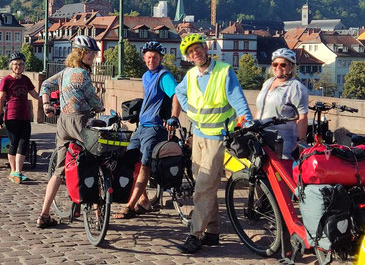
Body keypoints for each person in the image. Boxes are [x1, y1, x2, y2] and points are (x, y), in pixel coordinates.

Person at [172, 33, 253, 254]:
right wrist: (188, 109)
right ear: (188, 57)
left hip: (217, 138)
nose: (195, 53)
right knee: (205, 186)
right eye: (190, 52)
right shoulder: (190, 76)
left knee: (203, 188)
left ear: (205, 49)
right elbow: (178, 92)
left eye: (197, 49)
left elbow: (239, 101)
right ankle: (213, 231)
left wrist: (248, 123)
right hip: (197, 136)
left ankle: (195, 234)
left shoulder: (223, 71)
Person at [36, 35, 104, 228]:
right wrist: (101, 107)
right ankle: (98, 215)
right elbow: (94, 101)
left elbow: (45, 85)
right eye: (89, 52)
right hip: (80, 120)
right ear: (79, 53)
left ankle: (44, 214)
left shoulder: (65, 72)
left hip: (62, 123)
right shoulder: (83, 74)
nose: (92, 55)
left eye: (93, 52)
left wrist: (47, 103)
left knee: (58, 170)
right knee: (96, 161)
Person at [114, 41, 179, 219]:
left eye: (155, 57)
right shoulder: (145, 76)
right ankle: (144, 201)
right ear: (144, 58)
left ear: (161, 59)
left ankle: (130, 205)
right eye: (149, 57)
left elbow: (176, 95)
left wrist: (174, 116)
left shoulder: (164, 75)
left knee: (144, 165)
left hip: (156, 128)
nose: (152, 60)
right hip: (143, 125)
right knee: (130, 160)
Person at [0, 52, 40, 184]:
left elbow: (35, 95)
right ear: (11, 66)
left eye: (20, 64)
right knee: (14, 143)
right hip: (11, 115)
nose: (18, 67)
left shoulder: (26, 79)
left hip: (25, 115)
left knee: (24, 143)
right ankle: (13, 171)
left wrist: (46, 100)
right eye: (15, 64)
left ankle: (18, 172)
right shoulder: (6, 80)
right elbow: (1, 99)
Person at [256, 48, 308, 159]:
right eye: (275, 64)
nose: (278, 67)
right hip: (263, 139)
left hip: (283, 142)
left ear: (291, 66)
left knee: (281, 174)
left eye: (283, 65)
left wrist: (301, 142)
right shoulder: (268, 83)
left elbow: (302, 116)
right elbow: (260, 109)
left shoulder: (296, 87)